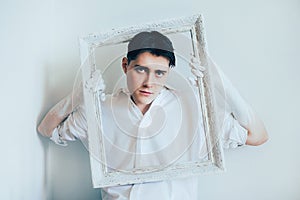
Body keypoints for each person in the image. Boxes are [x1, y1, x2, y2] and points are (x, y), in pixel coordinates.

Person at [38, 31, 268, 199]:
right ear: (125, 65)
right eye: (141, 69)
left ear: (169, 72)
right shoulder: (101, 110)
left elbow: (257, 135)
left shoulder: (193, 108)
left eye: (160, 73)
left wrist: (220, 83)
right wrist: (75, 100)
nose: (149, 82)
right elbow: (47, 130)